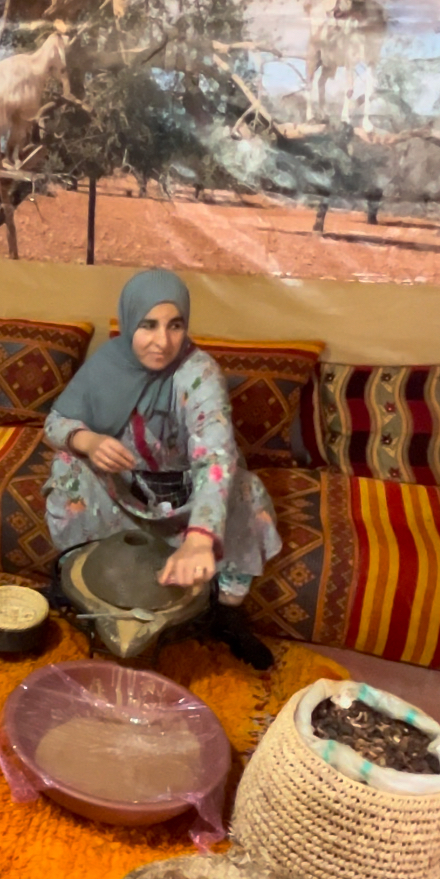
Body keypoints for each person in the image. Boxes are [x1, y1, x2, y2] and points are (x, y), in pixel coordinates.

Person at [42, 268, 281, 666]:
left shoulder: (198, 373)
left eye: (175, 325)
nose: (163, 341)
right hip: (126, 490)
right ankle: (79, 586)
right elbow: (55, 423)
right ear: (128, 321)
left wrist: (200, 538)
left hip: (190, 499)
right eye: (148, 325)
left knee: (247, 490)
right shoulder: (107, 362)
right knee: (68, 468)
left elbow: (216, 455)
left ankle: (225, 615)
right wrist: (88, 441)